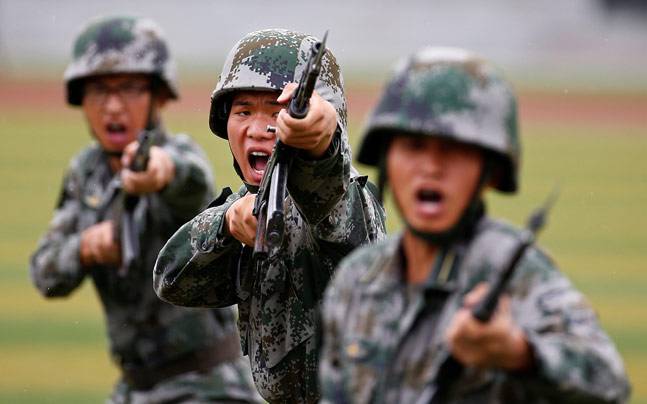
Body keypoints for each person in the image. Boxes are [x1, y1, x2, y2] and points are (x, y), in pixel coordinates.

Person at [319, 47, 631, 403]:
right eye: (414, 146)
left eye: (453, 150)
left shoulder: (517, 274)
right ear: (385, 159)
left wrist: (518, 353)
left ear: (491, 171)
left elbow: (608, 383)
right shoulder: (357, 279)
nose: (432, 167)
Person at [30, 16, 261, 403]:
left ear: (160, 96)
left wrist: (157, 172)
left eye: (132, 89)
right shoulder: (86, 175)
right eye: (99, 91)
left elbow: (189, 178)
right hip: (136, 387)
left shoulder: (179, 156)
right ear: (80, 100)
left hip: (208, 384)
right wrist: (86, 247)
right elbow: (45, 273)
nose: (114, 106)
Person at [153, 28, 386, 403]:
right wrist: (227, 225)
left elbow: (328, 191)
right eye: (243, 111)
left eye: (277, 112)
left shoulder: (346, 198)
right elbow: (171, 281)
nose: (259, 129)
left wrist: (320, 144)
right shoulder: (248, 206)